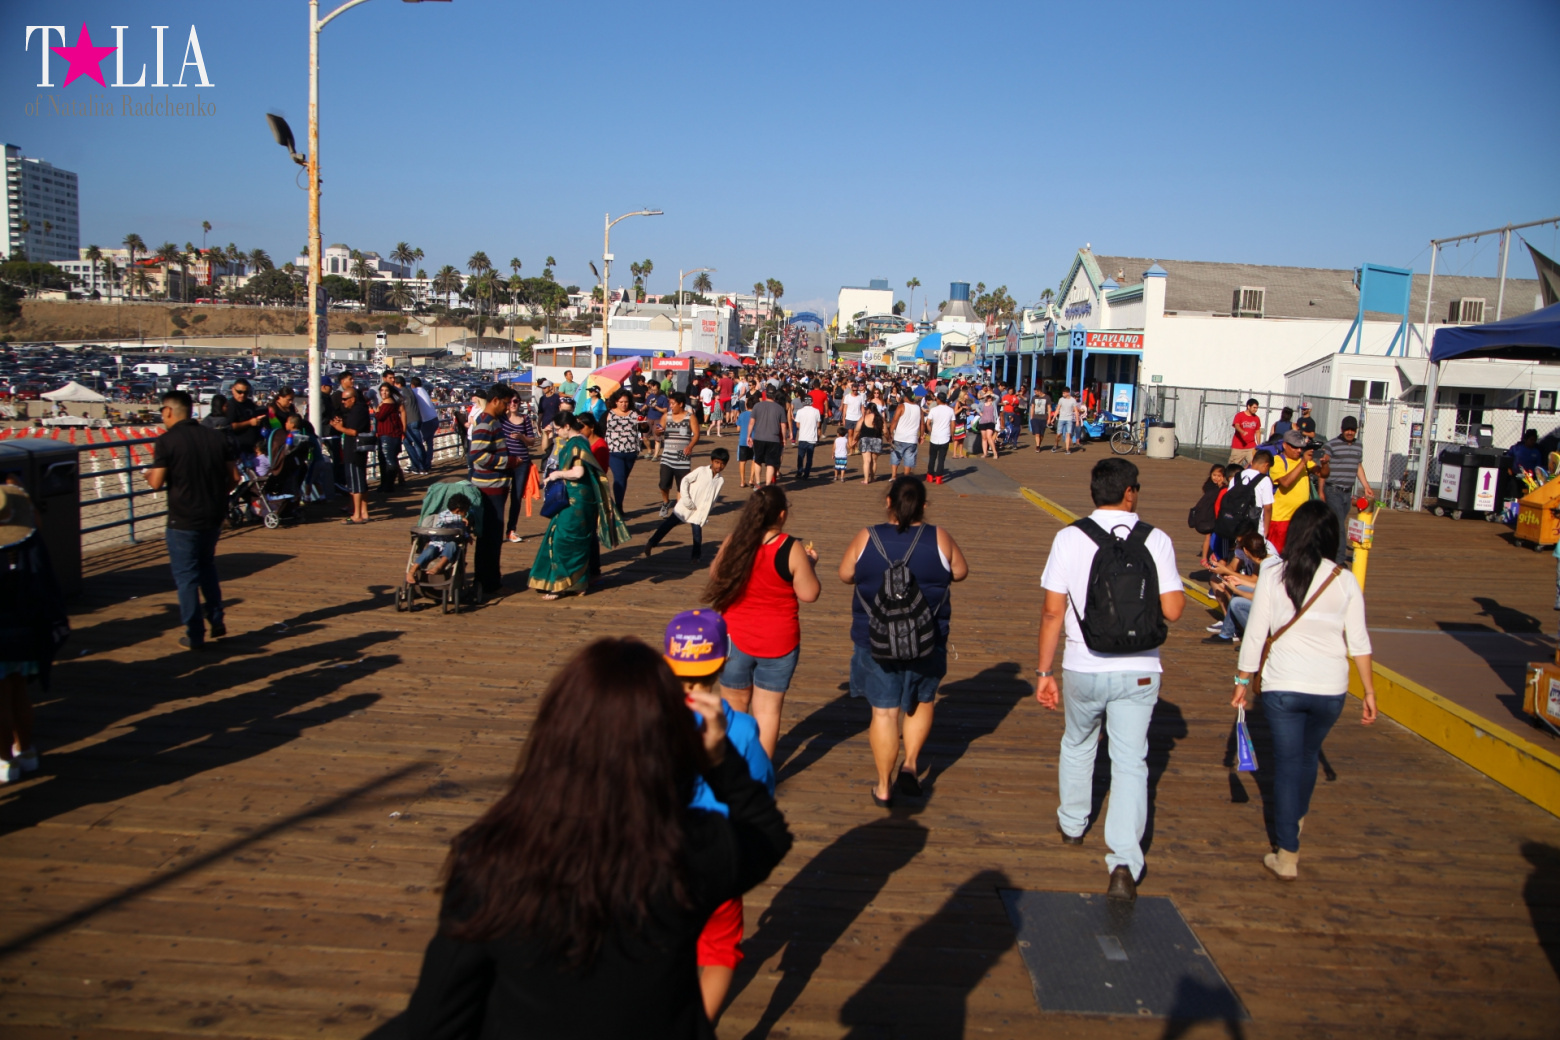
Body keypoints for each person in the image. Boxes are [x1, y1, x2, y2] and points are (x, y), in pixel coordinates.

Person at [402, 637, 791, 1038]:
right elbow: (768, 834)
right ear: (662, 744)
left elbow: (436, 1020)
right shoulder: (684, 852)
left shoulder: (490, 858)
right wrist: (719, 758)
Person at [1033, 458, 1185, 903]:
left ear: (1095, 491)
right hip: (1140, 670)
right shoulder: (1155, 539)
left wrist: (1044, 672)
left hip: (1083, 663)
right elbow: (1174, 610)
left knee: (1078, 742)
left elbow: (1051, 612)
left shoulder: (1068, 538)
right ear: (1130, 492)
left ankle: (1073, 824)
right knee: (1131, 762)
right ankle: (1123, 859)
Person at [1233, 500, 1376, 881]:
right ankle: (1294, 823)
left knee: (1286, 766)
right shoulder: (1343, 579)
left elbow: (1257, 632)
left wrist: (1242, 681)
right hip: (1331, 689)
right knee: (1308, 758)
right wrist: (1370, 692)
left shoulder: (1274, 573)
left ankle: (1287, 853)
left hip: (1283, 687)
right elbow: (1358, 641)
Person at [840, 476, 968, 808]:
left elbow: (845, 574)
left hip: (875, 638)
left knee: (884, 713)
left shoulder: (867, 537)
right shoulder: (939, 537)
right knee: (922, 701)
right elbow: (960, 572)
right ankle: (910, 764)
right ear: (924, 506)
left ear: (888, 502)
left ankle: (884, 786)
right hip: (928, 637)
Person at [704, 485, 820, 756]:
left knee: (732, 707)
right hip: (779, 641)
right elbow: (809, 593)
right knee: (767, 711)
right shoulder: (790, 547)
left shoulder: (736, 540)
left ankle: (731, 769)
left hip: (734, 638)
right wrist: (810, 565)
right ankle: (761, 776)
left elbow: (716, 577)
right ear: (781, 515)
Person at [146, 390, 240, 650]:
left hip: (182, 519)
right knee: (207, 566)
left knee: (186, 577)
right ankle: (217, 617)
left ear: (168, 411)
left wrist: (147, 475)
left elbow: (156, 482)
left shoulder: (167, 442)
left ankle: (195, 633)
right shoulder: (215, 438)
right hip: (213, 514)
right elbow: (234, 477)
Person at [0, 483, 69, 783]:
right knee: (19, 692)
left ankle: (4, 762)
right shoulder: (30, 542)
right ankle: (25, 751)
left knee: (1, 699)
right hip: (28, 628)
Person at [528, 415, 628, 599]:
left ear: (567, 426)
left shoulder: (575, 444)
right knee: (579, 540)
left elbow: (578, 471)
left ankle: (561, 585)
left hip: (575, 499)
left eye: (558, 429)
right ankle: (578, 583)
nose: (557, 433)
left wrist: (555, 475)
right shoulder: (582, 441)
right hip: (583, 498)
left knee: (563, 540)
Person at [469, 383, 522, 601]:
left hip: (494, 487)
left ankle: (486, 581)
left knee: (489, 537)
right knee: (490, 538)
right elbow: (478, 456)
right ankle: (490, 584)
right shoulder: (486, 423)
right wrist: (508, 461)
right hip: (489, 489)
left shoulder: (491, 421)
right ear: (495, 401)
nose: (508, 407)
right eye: (506, 402)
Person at [646, 448, 729, 562]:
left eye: (722, 464)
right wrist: (686, 499)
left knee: (697, 535)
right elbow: (685, 480)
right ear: (711, 461)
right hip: (685, 507)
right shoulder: (701, 471)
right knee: (668, 525)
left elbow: (714, 497)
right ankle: (651, 543)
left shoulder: (720, 480)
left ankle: (696, 557)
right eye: (717, 462)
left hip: (699, 511)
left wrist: (707, 511)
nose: (719, 466)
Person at [1203, 526, 1272, 644]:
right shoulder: (1262, 557)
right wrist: (1222, 570)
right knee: (1220, 582)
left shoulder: (1266, 564)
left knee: (1236, 601)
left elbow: (1256, 590)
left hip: (1270, 604)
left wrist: (1234, 587)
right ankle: (1228, 631)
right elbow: (1234, 569)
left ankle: (1253, 638)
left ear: (1246, 550)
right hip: (1262, 591)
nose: (1238, 545)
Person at [325, 373, 372, 523]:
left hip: (354, 450)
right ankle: (364, 513)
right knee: (361, 483)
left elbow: (353, 431)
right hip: (358, 450)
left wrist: (339, 427)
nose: (343, 402)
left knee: (355, 484)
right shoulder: (358, 410)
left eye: (345, 399)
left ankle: (356, 515)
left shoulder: (357, 410)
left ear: (352, 398)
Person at [1323, 416, 1372, 560]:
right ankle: (1339, 559)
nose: (1350, 432)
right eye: (1347, 429)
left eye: (1352, 430)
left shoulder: (1359, 445)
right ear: (1341, 430)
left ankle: (1326, 550)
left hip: (1347, 492)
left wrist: (1366, 486)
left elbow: (1358, 466)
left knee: (1336, 525)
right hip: (1333, 489)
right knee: (1339, 526)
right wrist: (1320, 490)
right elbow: (1323, 468)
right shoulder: (1331, 445)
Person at [1268, 429, 1317, 553]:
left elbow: (1323, 473)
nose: (1299, 450)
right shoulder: (1277, 460)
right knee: (1277, 557)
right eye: (1295, 447)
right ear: (1285, 445)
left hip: (1300, 519)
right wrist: (1303, 462)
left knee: (1296, 555)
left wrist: (1326, 463)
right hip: (1280, 519)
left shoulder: (1304, 461)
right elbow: (1285, 482)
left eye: (1301, 447)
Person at [408, 494, 471, 585]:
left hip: (449, 542)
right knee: (428, 551)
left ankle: (439, 566)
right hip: (437, 543)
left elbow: (462, 529)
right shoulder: (444, 515)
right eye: (465, 512)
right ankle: (412, 570)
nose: (466, 514)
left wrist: (467, 536)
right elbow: (446, 520)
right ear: (458, 511)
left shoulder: (460, 521)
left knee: (453, 545)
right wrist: (460, 518)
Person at [502, 394, 540, 544]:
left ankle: (511, 530)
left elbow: (531, 441)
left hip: (522, 462)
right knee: (501, 496)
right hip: (505, 462)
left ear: (520, 403)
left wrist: (521, 437)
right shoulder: (501, 419)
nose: (513, 404)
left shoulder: (525, 419)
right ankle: (497, 529)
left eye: (515, 401)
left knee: (516, 497)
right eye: (510, 401)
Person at [657, 393, 700, 519]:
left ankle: (678, 510)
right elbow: (658, 431)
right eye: (670, 403)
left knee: (682, 484)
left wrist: (690, 446)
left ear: (681, 404)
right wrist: (657, 431)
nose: (670, 406)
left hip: (682, 455)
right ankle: (665, 502)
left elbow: (696, 435)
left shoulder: (690, 417)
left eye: (672, 403)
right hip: (667, 455)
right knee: (664, 483)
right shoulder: (666, 416)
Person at [604, 389, 642, 515]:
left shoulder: (635, 413)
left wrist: (644, 424)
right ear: (615, 401)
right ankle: (618, 507)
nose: (624, 404)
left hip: (631, 450)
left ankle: (619, 503)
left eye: (626, 402)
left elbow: (644, 428)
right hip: (613, 451)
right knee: (619, 478)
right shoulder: (608, 414)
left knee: (624, 479)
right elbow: (599, 430)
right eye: (621, 402)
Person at [748, 391, 787, 488]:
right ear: (774, 396)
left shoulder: (757, 406)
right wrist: (784, 438)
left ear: (766, 395)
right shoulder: (780, 408)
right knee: (771, 463)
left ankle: (758, 483)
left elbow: (751, 422)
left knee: (758, 461)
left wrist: (748, 435)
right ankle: (768, 485)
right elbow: (783, 425)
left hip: (759, 437)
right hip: (773, 438)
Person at [373, 380, 406, 495]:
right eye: (382, 390)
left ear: (390, 392)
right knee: (385, 459)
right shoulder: (389, 402)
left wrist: (377, 409)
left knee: (388, 460)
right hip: (388, 434)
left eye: (386, 390)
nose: (384, 393)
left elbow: (379, 416)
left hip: (389, 434)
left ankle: (388, 485)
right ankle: (385, 484)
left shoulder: (387, 403)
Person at [224, 378, 265, 458]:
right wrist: (249, 422)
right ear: (233, 390)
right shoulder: (231, 406)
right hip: (240, 450)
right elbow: (231, 426)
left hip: (253, 448)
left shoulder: (249, 403)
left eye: (246, 393)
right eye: (239, 392)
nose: (242, 395)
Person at [409, 376, 441, 474]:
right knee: (429, 443)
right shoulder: (423, 390)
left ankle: (422, 465)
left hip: (427, 421)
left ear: (412, 385)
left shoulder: (414, 391)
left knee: (419, 443)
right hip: (434, 419)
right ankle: (427, 463)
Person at [888, 394, 923, 479]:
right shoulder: (919, 409)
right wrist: (921, 436)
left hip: (899, 437)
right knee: (909, 458)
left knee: (896, 456)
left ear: (906, 397)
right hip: (912, 438)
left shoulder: (901, 406)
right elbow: (922, 423)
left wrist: (890, 432)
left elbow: (895, 420)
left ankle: (894, 476)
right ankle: (906, 477)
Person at [924, 392, 955, 484]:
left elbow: (928, 423)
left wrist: (931, 431)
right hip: (945, 436)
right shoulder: (950, 410)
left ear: (938, 399)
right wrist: (952, 435)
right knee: (941, 458)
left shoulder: (933, 410)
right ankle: (938, 477)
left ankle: (930, 475)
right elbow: (953, 424)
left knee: (932, 457)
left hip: (934, 436)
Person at [793, 394, 821, 480]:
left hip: (802, 437)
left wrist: (804, 426)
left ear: (803, 402)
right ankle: (806, 473)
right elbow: (818, 424)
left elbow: (797, 425)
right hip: (812, 437)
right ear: (812, 402)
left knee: (800, 456)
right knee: (809, 457)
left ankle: (799, 471)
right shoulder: (816, 411)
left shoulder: (800, 411)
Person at [857, 402, 884, 484]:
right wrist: (889, 438)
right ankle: (872, 478)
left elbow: (857, 429)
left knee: (866, 461)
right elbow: (885, 431)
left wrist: (855, 438)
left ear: (868, 409)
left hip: (865, 439)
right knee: (874, 461)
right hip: (877, 439)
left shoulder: (864, 417)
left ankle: (866, 479)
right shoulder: (880, 418)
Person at [1230, 398, 1262, 466]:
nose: (1255, 410)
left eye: (1257, 408)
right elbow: (1236, 425)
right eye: (1254, 407)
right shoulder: (1240, 415)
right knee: (1234, 466)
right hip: (1238, 446)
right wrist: (1242, 431)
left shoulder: (1256, 418)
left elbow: (1257, 431)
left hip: (1251, 446)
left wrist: (1259, 444)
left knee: (1255, 464)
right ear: (1248, 406)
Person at [1051, 387, 1081, 455]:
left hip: (1069, 419)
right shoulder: (1061, 399)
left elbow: (1076, 411)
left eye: (1064, 393)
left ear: (1068, 393)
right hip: (1061, 418)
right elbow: (1057, 409)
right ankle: (1056, 445)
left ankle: (1067, 449)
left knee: (1068, 434)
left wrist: (1077, 420)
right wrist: (1053, 418)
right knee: (1059, 434)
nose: (1063, 394)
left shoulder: (1073, 400)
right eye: (1062, 393)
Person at [735, 397, 756, 488]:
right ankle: (751, 479)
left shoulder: (742, 415)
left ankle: (742, 481)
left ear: (746, 405)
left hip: (743, 440)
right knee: (754, 460)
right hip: (754, 440)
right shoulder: (757, 415)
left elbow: (738, 428)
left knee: (742, 461)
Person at [842, 383, 866, 453]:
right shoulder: (847, 397)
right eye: (854, 390)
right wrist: (843, 418)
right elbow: (845, 408)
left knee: (857, 434)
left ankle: (855, 447)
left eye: (856, 390)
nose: (855, 391)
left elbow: (862, 408)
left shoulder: (860, 397)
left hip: (858, 418)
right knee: (850, 434)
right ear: (851, 389)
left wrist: (863, 417)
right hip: (849, 418)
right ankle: (851, 449)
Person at [1030, 386, 1050, 452]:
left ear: (1039, 391)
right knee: (1037, 433)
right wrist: (1031, 417)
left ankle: (1039, 444)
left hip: (1043, 418)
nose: (1035, 393)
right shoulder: (1034, 398)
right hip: (1036, 417)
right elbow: (1032, 407)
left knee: (1041, 434)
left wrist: (1049, 418)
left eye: (1036, 392)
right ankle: (1037, 446)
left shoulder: (1047, 397)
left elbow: (1049, 408)